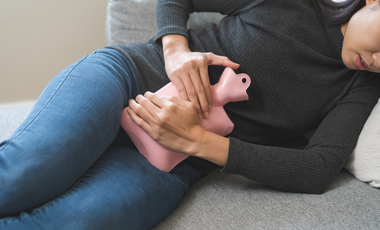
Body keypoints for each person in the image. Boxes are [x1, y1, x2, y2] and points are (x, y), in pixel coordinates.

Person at [1, 0, 380, 229]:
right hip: (126, 78)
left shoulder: (360, 86)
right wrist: (176, 51)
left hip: (171, 161)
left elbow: (317, 168)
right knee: (22, 174)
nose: (378, 63)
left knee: (76, 223)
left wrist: (197, 142)